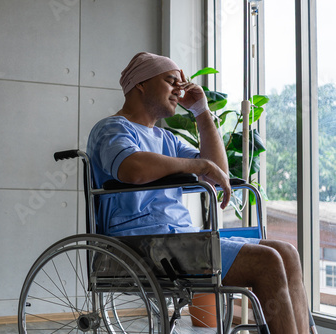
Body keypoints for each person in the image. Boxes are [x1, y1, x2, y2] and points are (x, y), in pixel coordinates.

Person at [86, 52, 310, 334]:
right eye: (171, 81)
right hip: (138, 244)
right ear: (140, 84)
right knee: (267, 262)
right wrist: (198, 164)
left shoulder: (167, 139)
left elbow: (217, 173)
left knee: (286, 252)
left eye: (182, 85)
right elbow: (133, 169)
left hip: (178, 238)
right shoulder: (112, 128)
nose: (179, 90)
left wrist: (202, 112)